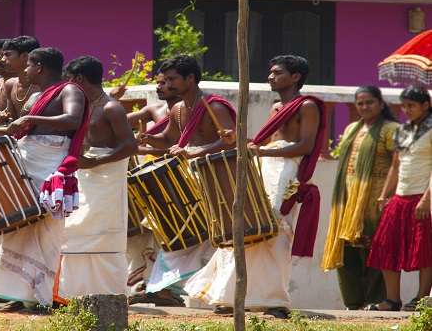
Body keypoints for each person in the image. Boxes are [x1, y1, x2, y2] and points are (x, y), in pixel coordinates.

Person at [185, 55, 325, 319]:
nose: (270, 77)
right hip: (265, 169)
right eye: (270, 72)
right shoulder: (274, 108)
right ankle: (229, 298)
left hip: (287, 173)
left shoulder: (307, 106)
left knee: (275, 230)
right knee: (245, 225)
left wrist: (261, 152)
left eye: (277, 73)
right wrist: (240, 140)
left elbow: (304, 146)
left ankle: (275, 301)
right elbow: (265, 144)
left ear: (295, 77)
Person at [0, 47, 89, 312]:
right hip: (25, 162)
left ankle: (48, 297)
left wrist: (30, 117)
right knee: (16, 232)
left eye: (28, 65)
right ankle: (21, 294)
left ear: (39, 67)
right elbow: (16, 129)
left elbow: (72, 119)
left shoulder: (69, 90)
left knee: (47, 234)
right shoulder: (38, 96)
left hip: (50, 164)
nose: (24, 70)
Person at [138, 54, 235, 303]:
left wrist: (195, 151)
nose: (167, 85)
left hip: (217, 178)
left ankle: (222, 295)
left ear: (190, 79)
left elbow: (229, 142)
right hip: (190, 177)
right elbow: (171, 140)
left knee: (218, 237)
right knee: (180, 233)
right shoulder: (179, 109)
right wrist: (149, 139)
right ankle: (165, 288)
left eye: (172, 79)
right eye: (166, 79)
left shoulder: (215, 107)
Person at [55, 56, 136, 299]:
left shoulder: (111, 107)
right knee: (71, 229)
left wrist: (96, 162)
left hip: (106, 180)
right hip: (83, 177)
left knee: (96, 231)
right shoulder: (82, 107)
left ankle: (106, 294)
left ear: (79, 79)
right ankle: (68, 294)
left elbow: (131, 146)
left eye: (69, 80)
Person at [321, 86, 398, 310]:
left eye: (370, 102)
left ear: (381, 104)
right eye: (360, 103)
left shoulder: (391, 129)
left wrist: (388, 196)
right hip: (347, 201)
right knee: (347, 251)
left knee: (375, 250)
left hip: (377, 201)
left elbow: (399, 163)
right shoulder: (351, 128)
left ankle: (376, 301)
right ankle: (353, 302)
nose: (365, 107)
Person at [365, 86, 432, 311]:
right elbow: (395, 165)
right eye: (404, 106)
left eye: (411, 105)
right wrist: (385, 195)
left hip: (423, 197)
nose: (406, 110)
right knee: (385, 246)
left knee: (425, 251)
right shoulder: (402, 130)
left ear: (426, 105)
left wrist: (426, 199)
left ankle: (421, 300)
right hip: (400, 197)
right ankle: (392, 300)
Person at [125, 70, 182, 305]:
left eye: (167, 82)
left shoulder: (187, 111)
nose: (161, 87)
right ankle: (144, 285)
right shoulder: (152, 109)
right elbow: (118, 122)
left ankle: (165, 289)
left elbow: (178, 146)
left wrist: (142, 148)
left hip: (174, 176)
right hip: (148, 176)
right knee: (144, 233)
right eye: (158, 83)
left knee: (168, 233)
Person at [0, 36, 41, 123]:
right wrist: (3, 119)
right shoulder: (10, 84)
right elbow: (12, 120)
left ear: (25, 56)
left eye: (7, 54)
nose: (2, 59)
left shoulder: (41, 85)